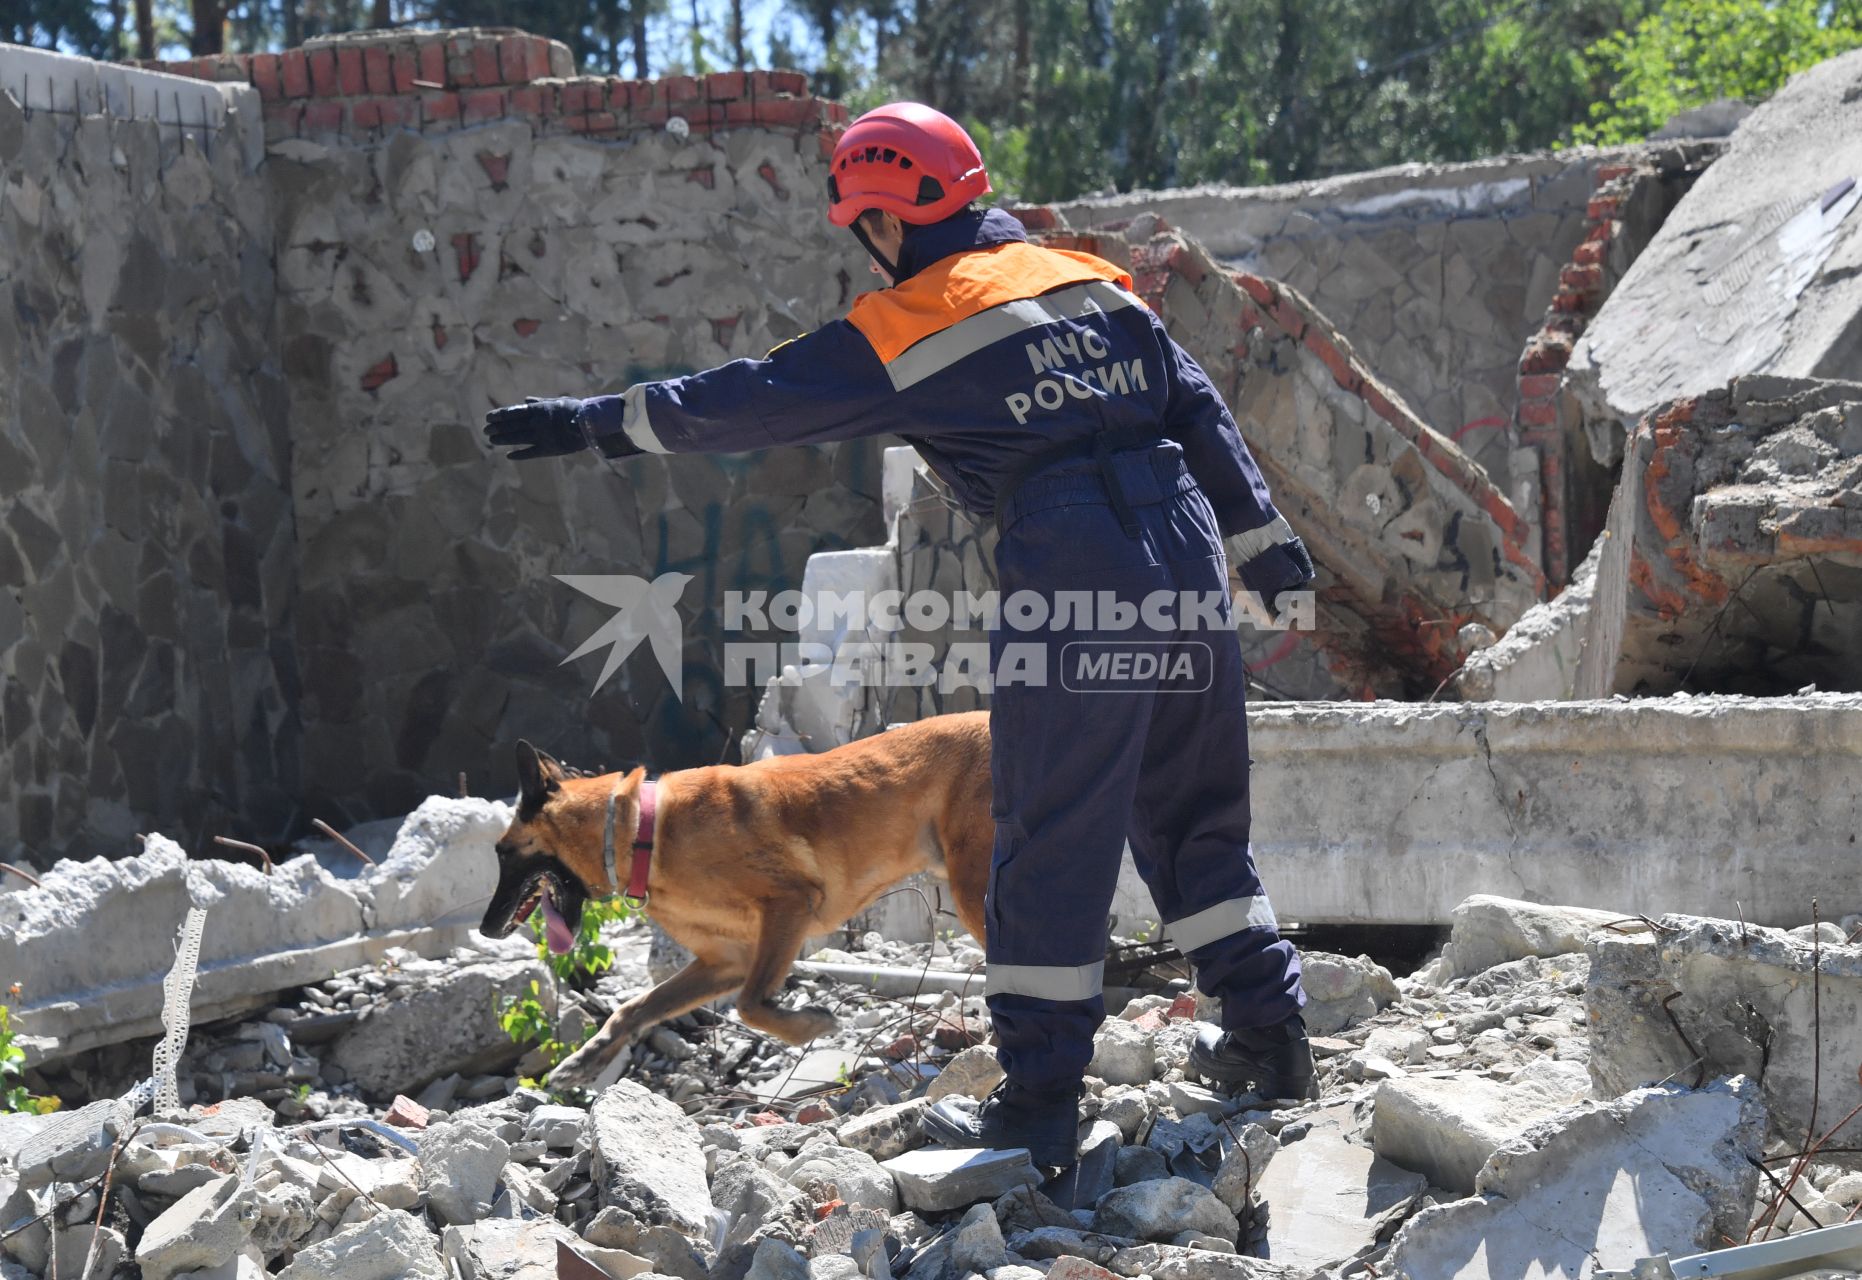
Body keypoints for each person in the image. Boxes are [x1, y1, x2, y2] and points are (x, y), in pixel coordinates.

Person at [483, 102, 1315, 1167]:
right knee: (1196, 804)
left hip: (1072, 554)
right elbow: (1191, 400)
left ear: (879, 221)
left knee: (1048, 827)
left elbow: (748, 399)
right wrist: (1260, 538)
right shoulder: (1084, 279)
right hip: (1182, 540)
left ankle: (1038, 1104)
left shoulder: (906, 325)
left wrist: (600, 421)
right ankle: (1267, 1033)